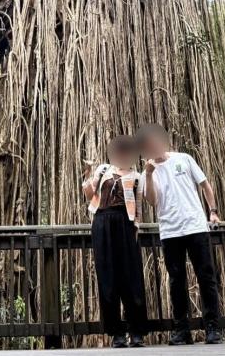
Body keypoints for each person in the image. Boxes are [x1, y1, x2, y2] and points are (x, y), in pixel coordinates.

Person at [136, 124, 223, 345]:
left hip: (195, 227)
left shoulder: (184, 158)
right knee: (176, 281)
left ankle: (213, 327)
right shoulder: (147, 171)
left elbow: (205, 185)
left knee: (206, 278)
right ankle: (182, 330)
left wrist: (213, 212)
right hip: (170, 231)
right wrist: (147, 174)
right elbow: (153, 201)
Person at [82, 135, 149, 348]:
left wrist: (136, 228)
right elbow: (90, 194)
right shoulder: (103, 170)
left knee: (131, 277)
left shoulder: (137, 176)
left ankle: (136, 331)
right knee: (107, 277)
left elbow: (138, 206)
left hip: (125, 224)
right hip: (101, 222)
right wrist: (87, 175)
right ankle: (116, 332)